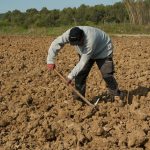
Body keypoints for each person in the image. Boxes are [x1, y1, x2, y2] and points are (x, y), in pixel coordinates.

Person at [47, 26, 125, 105]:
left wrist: (70, 76)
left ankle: (116, 95)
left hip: (103, 50)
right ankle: (79, 98)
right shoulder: (68, 34)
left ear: (82, 38)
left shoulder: (90, 40)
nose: (77, 45)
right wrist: (50, 60)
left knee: (107, 74)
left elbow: (83, 62)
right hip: (85, 52)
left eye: (79, 43)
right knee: (81, 74)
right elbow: (56, 43)